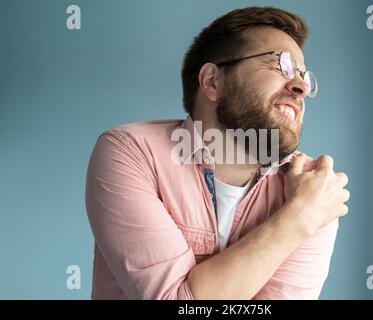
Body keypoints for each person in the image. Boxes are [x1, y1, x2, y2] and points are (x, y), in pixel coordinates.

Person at [85, 6, 350, 300]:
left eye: (304, 77)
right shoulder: (130, 152)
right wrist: (298, 217)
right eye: (282, 65)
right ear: (212, 81)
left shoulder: (313, 185)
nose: (301, 87)